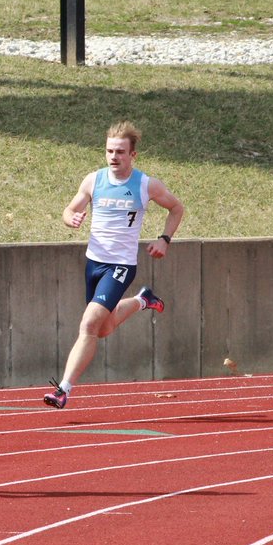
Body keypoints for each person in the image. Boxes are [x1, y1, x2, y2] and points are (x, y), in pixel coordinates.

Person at [43, 120, 185, 409]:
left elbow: (176, 207)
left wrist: (164, 239)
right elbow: (71, 208)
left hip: (120, 265)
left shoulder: (145, 184)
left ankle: (63, 389)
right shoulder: (94, 180)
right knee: (104, 328)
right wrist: (69, 217)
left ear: (133, 155)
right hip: (94, 262)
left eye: (120, 152)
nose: (113, 157)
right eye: (109, 151)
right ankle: (143, 300)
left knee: (89, 324)